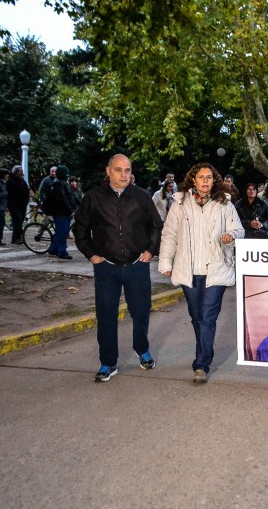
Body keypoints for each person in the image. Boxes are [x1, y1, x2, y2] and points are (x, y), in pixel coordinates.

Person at [73, 154, 164, 382]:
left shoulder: (141, 196)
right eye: (118, 170)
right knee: (106, 316)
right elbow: (80, 229)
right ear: (108, 171)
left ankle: (142, 349)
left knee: (141, 312)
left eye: (127, 170)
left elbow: (156, 225)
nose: (124, 174)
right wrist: (91, 254)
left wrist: (150, 251)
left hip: (137, 266)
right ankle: (108, 362)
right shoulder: (93, 197)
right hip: (106, 267)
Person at [159, 162, 244, 383]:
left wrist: (230, 236)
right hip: (189, 269)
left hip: (216, 267)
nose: (205, 181)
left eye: (209, 177)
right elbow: (169, 234)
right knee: (196, 316)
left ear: (214, 180)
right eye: (201, 177)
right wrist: (166, 262)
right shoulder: (180, 203)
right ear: (193, 180)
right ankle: (203, 353)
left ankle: (202, 364)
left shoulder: (224, 203)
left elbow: (239, 230)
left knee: (207, 316)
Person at [45, 165, 78, 260]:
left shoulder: (61, 183)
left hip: (63, 212)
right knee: (62, 232)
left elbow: (70, 197)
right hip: (61, 212)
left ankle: (53, 249)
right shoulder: (58, 184)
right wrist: (70, 211)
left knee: (60, 231)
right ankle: (62, 251)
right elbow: (62, 199)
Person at [6, 165, 30, 245]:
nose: (21, 172)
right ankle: (17, 238)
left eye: (21, 171)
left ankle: (15, 238)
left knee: (20, 221)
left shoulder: (23, 181)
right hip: (14, 205)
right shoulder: (10, 181)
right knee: (17, 221)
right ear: (15, 172)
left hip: (22, 205)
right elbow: (9, 194)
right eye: (19, 171)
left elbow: (27, 191)